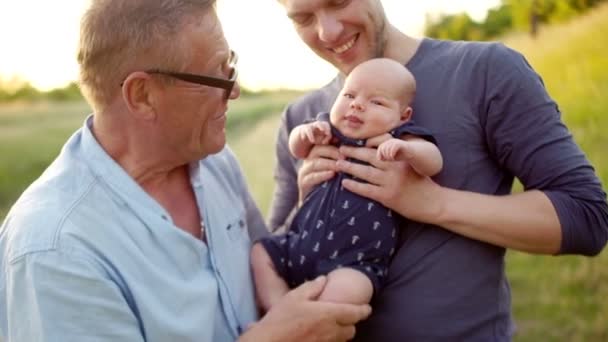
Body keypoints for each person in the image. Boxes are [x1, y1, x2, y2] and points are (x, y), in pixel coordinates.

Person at [0, 0, 371, 341]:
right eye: (218, 75)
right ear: (142, 95)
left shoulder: (214, 162)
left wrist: (315, 204)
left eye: (232, 66)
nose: (236, 89)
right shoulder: (54, 249)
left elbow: (270, 264)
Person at [269, 0, 608, 340]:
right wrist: (306, 201)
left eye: (338, 1)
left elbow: (585, 217)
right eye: (303, 17)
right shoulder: (302, 119)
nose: (327, 31)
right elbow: (277, 246)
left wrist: (432, 202)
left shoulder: (485, 71)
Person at [252, 58, 442, 312]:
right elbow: (296, 148)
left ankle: (311, 321)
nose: (357, 105)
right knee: (259, 253)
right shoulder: (326, 128)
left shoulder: (398, 137)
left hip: (354, 263)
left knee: (353, 290)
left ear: (402, 116)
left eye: (376, 102)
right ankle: (280, 310)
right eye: (349, 95)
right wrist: (304, 134)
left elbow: (434, 162)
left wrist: (408, 150)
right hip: (298, 245)